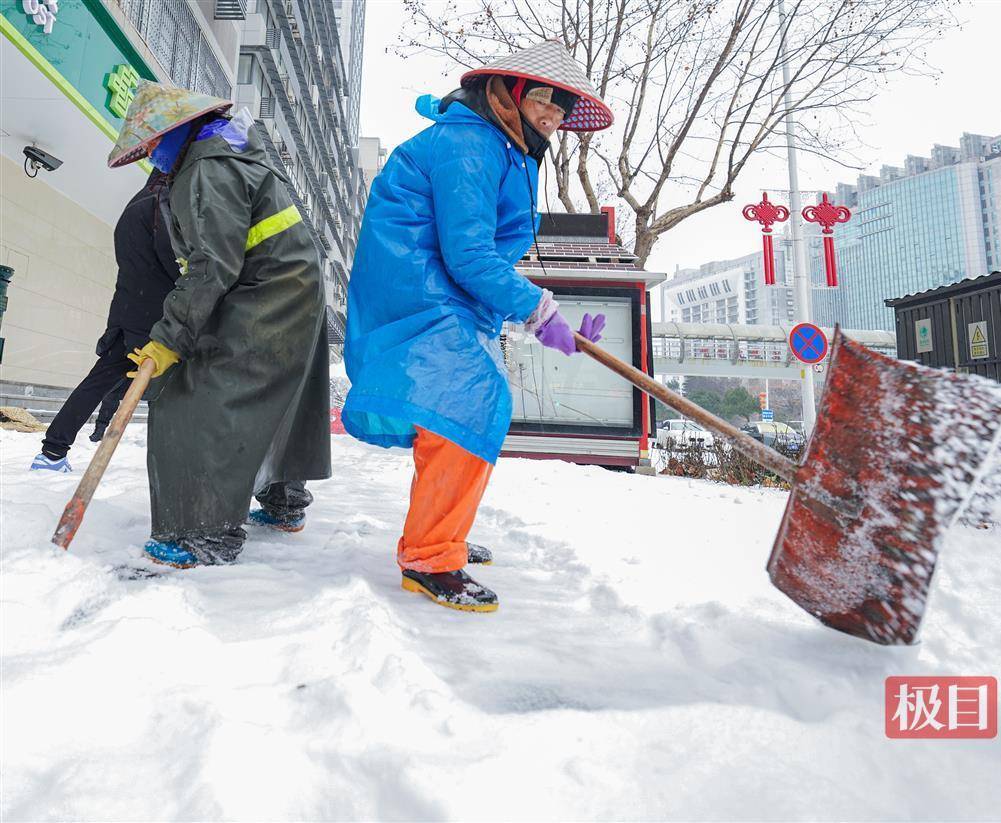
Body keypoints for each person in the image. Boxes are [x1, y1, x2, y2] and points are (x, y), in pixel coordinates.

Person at [343, 41, 612, 612]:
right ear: (506, 95)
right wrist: (538, 309)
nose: (554, 117)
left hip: (441, 293)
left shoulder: (500, 148)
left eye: (563, 110)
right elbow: (467, 253)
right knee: (467, 404)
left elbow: (484, 254)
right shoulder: (470, 144)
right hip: (419, 289)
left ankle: (441, 532)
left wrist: (542, 312)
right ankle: (431, 556)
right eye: (545, 100)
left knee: (458, 415)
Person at [106, 81, 331, 567]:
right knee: (276, 393)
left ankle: (200, 532)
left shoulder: (206, 169)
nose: (150, 158)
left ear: (174, 132)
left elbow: (212, 265)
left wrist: (168, 340)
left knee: (194, 395)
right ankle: (283, 501)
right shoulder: (235, 152)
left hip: (266, 292)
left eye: (149, 146)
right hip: (292, 288)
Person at [30, 172, 177, 472]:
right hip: (154, 323)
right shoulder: (162, 206)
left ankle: (52, 452)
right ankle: (171, 467)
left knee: (95, 384)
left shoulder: (133, 207)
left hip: (125, 313)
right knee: (173, 393)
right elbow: (173, 265)